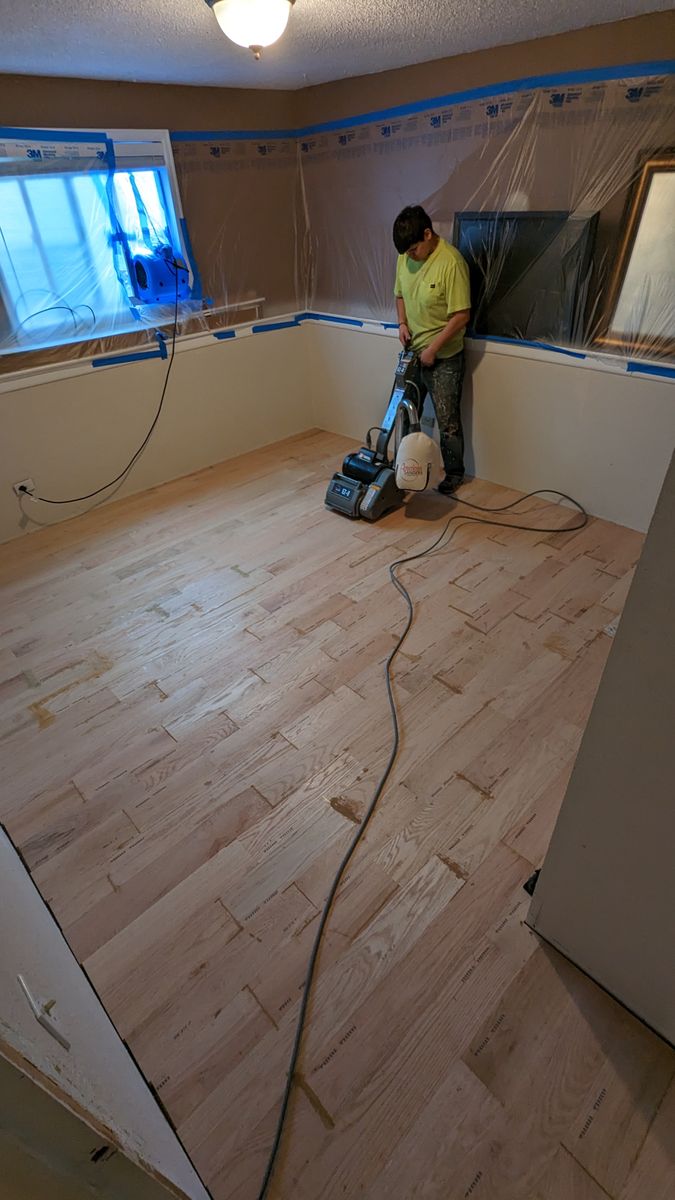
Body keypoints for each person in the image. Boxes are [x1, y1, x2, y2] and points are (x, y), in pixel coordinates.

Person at [393, 205, 471, 495]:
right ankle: (407, 468)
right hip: (412, 350)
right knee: (405, 412)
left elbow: (461, 315)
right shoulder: (404, 257)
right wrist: (401, 323)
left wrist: (434, 349)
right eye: (406, 252)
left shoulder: (451, 263)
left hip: (445, 357)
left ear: (428, 234)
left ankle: (453, 474)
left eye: (414, 249)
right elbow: (399, 293)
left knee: (447, 419)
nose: (410, 256)